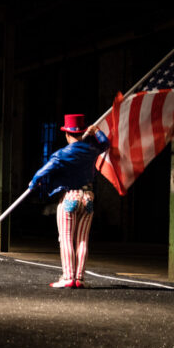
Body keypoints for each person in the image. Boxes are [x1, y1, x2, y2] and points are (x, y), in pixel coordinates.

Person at [44, 113, 109, 289]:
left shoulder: (63, 153)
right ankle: (79, 278)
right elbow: (105, 144)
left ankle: (68, 277)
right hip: (88, 197)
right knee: (82, 240)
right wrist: (97, 132)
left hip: (69, 197)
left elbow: (45, 171)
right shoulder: (91, 150)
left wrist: (34, 182)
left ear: (67, 134)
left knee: (65, 238)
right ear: (83, 132)